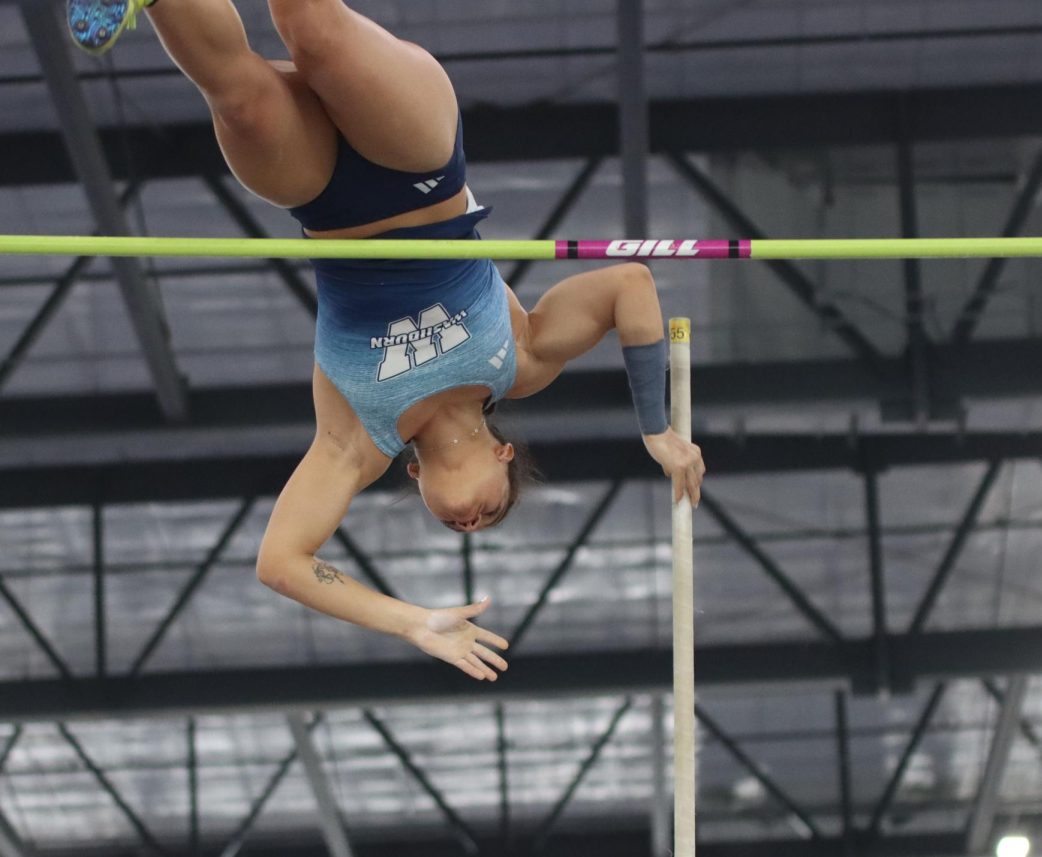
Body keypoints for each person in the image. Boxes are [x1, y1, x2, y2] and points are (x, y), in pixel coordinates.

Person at [67, 0, 706, 682]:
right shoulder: (519, 360)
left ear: (416, 478)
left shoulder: (359, 438)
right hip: (417, 168)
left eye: (461, 525)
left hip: (324, 205)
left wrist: (413, 621)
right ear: (504, 449)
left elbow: (281, 562)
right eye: (496, 507)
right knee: (313, 31)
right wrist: (655, 428)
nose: (475, 518)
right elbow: (630, 286)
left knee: (242, 99)